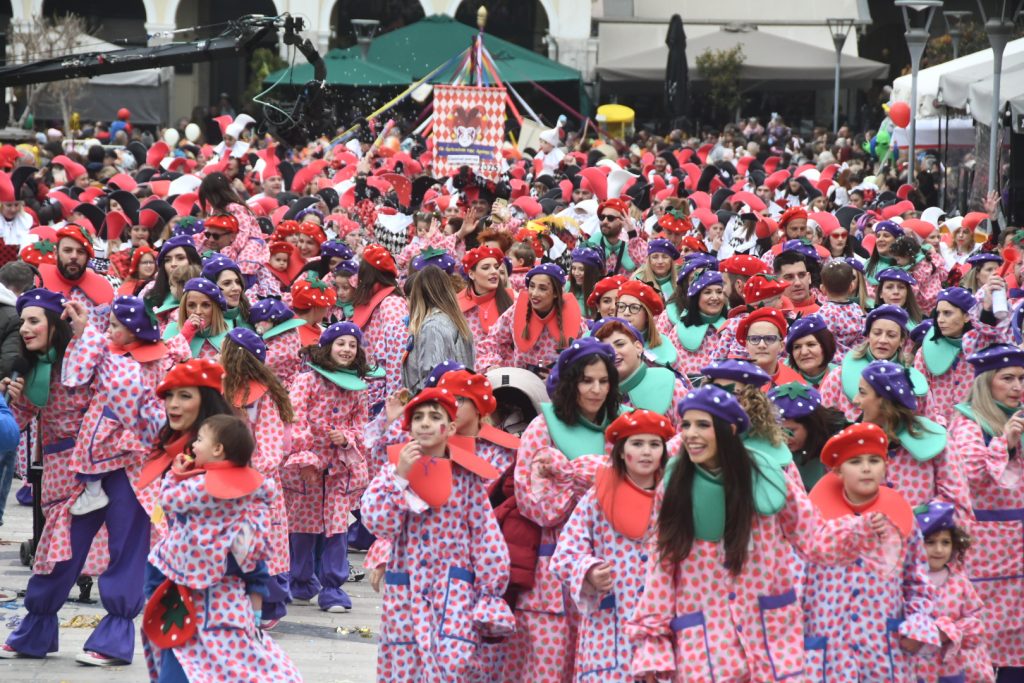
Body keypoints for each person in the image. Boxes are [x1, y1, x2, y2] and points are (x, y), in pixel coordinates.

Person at [625, 385, 877, 681]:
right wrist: (653, 645)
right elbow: (661, 565)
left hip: (770, 637)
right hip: (705, 642)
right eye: (687, 424)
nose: (691, 434)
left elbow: (813, 538)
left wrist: (863, 528)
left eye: (703, 425)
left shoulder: (768, 476)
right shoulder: (674, 485)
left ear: (729, 429)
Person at [0, 288, 145, 666]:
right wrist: (6, 401)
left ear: (56, 323)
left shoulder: (94, 354)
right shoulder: (32, 371)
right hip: (68, 473)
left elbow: (126, 388)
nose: (27, 329)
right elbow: (15, 425)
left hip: (119, 463)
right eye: (23, 322)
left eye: (35, 321)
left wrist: (88, 336)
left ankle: (114, 642)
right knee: (58, 552)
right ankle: (35, 633)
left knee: (125, 551)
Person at [361, 388, 514, 681]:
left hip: (454, 588)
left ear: (451, 427)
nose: (426, 423)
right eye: (418, 417)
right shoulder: (393, 470)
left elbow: (485, 535)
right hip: (406, 588)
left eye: (435, 417)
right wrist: (400, 477)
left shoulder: (466, 476)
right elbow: (378, 523)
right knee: (408, 665)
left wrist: (490, 591)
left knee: (454, 661)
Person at [141, 414, 301, 682]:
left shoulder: (195, 488)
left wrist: (176, 475)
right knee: (238, 664)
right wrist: (256, 609)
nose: (193, 445)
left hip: (186, 595)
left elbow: (168, 502)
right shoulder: (252, 495)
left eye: (200, 439)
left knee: (180, 657)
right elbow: (253, 561)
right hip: (230, 603)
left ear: (218, 450)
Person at [505, 338, 622, 681]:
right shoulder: (543, 427)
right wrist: (583, 482)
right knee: (546, 667)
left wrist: (579, 475)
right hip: (550, 571)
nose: (596, 389)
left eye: (604, 381)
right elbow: (532, 503)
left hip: (608, 565)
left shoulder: (625, 427)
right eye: (587, 380)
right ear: (571, 382)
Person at [802, 422, 940, 680]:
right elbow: (796, 582)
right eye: (855, 462)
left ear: (886, 466)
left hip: (882, 651)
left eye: (874, 460)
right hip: (829, 652)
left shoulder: (902, 518)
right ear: (837, 470)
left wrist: (917, 625)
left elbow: (918, 582)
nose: (866, 468)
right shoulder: (813, 521)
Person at [550, 409, 674, 682]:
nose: (646, 452)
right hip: (609, 627)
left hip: (661, 624)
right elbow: (565, 554)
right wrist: (589, 571)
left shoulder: (675, 499)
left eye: (654, 444)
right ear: (620, 451)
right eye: (637, 443)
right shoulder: (598, 497)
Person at [949, 344, 1024, 679]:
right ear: (985, 382)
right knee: (988, 635)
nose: (1017, 387)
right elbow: (967, 472)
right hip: (988, 552)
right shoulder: (969, 421)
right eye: (1007, 378)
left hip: (1019, 548)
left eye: (1022, 379)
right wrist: (1003, 443)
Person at [284, 322, 371, 614]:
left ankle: (333, 588)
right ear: (327, 346)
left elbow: (361, 426)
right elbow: (295, 417)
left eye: (352, 344)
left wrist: (346, 437)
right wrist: (306, 452)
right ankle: (301, 581)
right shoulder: (306, 381)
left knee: (336, 528)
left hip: (340, 469)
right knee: (302, 526)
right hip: (307, 467)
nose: (346, 349)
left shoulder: (359, 388)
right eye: (341, 343)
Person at [220, 328, 294, 628]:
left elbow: (271, 449)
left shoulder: (265, 399)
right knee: (237, 547)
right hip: (229, 483)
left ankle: (270, 606)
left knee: (263, 547)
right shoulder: (224, 390)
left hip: (257, 486)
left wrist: (246, 471)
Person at [854, 359, 971, 523]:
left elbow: (959, 505)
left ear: (884, 400)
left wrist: (911, 517)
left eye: (862, 392)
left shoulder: (935, 441)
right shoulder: (851, 443)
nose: (855, 400)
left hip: (923, 545)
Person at [914, 501, 994, 683]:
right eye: (930, 542)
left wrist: (949, 631)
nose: (939, 549)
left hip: (952, 668)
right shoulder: (906, 583)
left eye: (945, 542)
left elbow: (976, 622)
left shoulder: (960, 583)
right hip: (914, 669)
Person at [914, 284, 1006, 425]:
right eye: (938, 313)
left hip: (977, 427)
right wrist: (937, 422)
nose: (940, 319)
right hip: (937, 428)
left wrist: (987, 308)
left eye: (947, 313)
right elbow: (921, 394)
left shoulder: (983, 347)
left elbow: (994, 331)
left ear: (967, 316)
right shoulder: (925, 351)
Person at [819, 305, 928, 421]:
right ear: (868, 336)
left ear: (901, 341)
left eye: (891, 335)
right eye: (877, 333)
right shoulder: (838, 376)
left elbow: (927, 421)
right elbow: (823, 422)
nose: (882, 340)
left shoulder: (915, 382)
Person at [477, 263, 585, 377]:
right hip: (522, 386)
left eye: (542, 288)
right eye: (532, 286)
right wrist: (493, 365)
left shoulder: (573, 317)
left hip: (559, 389)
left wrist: (560, 376)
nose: (534, 293)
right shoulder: (515, 312)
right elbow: (491, 343)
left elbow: (586, 355)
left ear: (556, 293)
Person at [592, 317, 690, 430]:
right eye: (605, 350)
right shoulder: (595, 395)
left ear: (638, 347)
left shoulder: (671, 386)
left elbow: (689, 434)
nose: (613, 353)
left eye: (620, 344)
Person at [198, 172, 279, 298]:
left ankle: (248, 289)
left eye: (208, 196)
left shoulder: (235, 207)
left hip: (250, 242)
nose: (208, 201)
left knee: (245, 264)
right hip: (230, 244)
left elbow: (243, 231)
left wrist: (233, 248)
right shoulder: (217, 210)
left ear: (215, 193)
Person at [351, 244, 408, 412]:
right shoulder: (374, 299)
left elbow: (398, 351)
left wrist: (393, 396)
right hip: (367, 389)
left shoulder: (392, 302)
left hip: (383, 395)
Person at [401, 266, 475, 393]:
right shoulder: (459, 323)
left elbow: (432, 377)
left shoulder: (432, 327)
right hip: (458, 399)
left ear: (419, 294)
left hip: (435, 405)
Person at [769, 382, 847, 490]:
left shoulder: (838, 445)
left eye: (790, 430)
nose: (783, 437)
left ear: (811, 425)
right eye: (776, 430)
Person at [39, 224, 114, 328]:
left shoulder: (107, 290)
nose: (74, 256)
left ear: (88, 258)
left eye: (80, 251)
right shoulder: (37, 285)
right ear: (55, 253)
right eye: (68, 250)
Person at [658, 268, 726, 380]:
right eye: (707, 292)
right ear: (696, 297)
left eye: (719, 292)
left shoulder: (732, 328)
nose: (715, 297)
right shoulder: (678, 331)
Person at [163, 277, 233, 360]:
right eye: (191, 305)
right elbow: (163, 366)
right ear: (184, 308)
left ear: (215, 309)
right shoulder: (171, 330)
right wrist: (184, 335)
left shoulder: (229, 333)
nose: (198, 311)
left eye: (205, 305)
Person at [614, 280, 677, 370]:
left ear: (647, 315)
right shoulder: (603, 341)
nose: (626, 312)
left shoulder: (665, 347)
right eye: (621, 306)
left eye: (634, 307)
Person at [143, 235, 203, 324]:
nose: (173, 264)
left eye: (180, 258)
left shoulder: (207, 292)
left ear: (193, 261)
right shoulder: (151, 291)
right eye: (167, 260)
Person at [457, 245, 513, 338]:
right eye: (486, 268)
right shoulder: (458, 303)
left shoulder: (513, 298)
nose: (494, 271)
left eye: (496, 267)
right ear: (471, 274)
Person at [816, 259, 867, 359]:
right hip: (856, 357)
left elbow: (823, 341)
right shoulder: (857, 308)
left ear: (823, 289)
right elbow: (862, 336)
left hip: (834, 361)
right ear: (851, 286)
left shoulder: (826, 312)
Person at [785, 314, 838, 387]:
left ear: (826, 346)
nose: (804, 352)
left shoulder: (842, 378)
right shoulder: (783, 381)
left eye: (811, 345)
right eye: (797, 347)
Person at [567, 247, 604, 317]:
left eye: (581, 269)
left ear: (592, 272)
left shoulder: (601, 294)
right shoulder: (567, 287)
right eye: (574, 268)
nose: (576, 273)